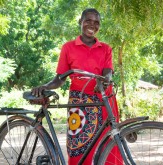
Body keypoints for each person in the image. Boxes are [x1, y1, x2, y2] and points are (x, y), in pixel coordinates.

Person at [32, 8, 121, 165]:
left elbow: (108, 73)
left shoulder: (105, 48)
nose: (92, 25)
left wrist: (104, 80)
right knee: (78, 148)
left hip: (104, 101)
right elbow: (60, 79)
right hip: (79, 103)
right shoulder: (68, 47)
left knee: (109, 146)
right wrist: (45, 86)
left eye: (96, 22)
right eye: (88, 21)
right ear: (80, 22)